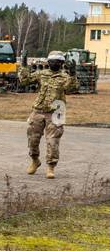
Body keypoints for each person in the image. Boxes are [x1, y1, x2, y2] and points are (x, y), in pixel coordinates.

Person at [15, 51, 78, 179]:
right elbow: (24, 80)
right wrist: (23, 64)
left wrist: (72, 74)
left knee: (53, 141)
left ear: (61, 63)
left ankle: (51, 167)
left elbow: (72, 89)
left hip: (57, 111)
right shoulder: (41, 74)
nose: (54, 63)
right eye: (52, 61)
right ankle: (35, 160)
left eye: (58, 61)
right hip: (38, 110)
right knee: (33, 139)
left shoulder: (65, 77)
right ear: (48, 62)